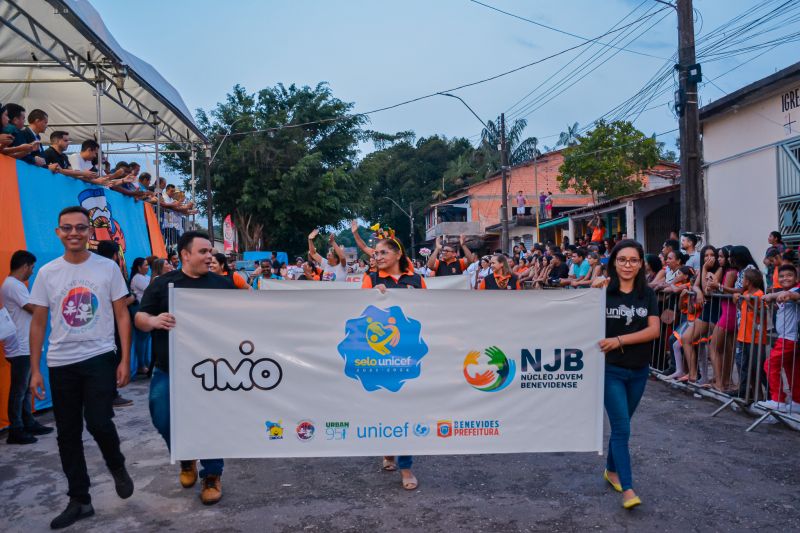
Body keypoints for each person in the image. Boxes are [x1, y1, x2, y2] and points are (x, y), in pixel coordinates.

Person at [28, 206, 134, 529]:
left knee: (99, 422)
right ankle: (80, 499)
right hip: (61, 362)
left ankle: (116, 464)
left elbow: (122, 314)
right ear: (58, 232)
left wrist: (124, 359)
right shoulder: (47, 273)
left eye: (80, 227)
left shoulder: (107, 268)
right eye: (67, 228)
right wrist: (35, 370)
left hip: (99, 356)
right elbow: (38, 323)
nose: (74, 233)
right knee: (67, 434)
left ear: (90, 232)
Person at [135, 231, 236, 505]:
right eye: (203, 251)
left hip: (214, 371)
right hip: (169, 368)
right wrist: (154, 321)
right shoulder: (162, 285)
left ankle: (212, 474)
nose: (209, 256)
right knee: (161, 415)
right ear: (185, 255)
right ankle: (185, 454)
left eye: (210, 252)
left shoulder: (222, 285)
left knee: (210, 421)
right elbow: (140, 317)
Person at [596, 240, 660, 510]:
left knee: (622, 426)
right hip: (610, 370)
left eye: (633, 260)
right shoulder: (603, 291)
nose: (627, 265)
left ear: (641, 264)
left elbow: (654, 330)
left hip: (639, 371)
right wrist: (592, 291)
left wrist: (619, 340)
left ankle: (611, 470)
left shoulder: (648, 294)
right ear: (614, 262)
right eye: (622, 259)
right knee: (622, 428)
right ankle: (628, 488)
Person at [361, 235, 424, 490]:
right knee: (385, 404)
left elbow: (431, 312)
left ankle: (406, 467)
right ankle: (388, 449)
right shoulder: (370, 279)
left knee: (406, 407)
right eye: (375, 253)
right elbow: (360, 315)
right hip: (380, 356)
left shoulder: (416, 280)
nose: (377, 257)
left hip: (410, 352)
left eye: (383, 252)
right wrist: (374, 298)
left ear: (398, 254)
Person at [2, 250, 54, 444]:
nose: (32, 272)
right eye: (31, 268)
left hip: (25, 344)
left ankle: (27, 422)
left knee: (25, 389)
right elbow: (33, 308)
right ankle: (16, 429)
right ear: (24, 266)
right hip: (21, 345)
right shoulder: (13, 285)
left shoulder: (14, 285)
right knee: (20, 389)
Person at [759, 265, 800, 411]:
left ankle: (778, 400)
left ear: (796, 278)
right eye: (781, 276)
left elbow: (795, 295)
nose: (785, 278)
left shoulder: (795, 290)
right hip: (787, 337)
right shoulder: (785, 291)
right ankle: (797, 401)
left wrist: (776, 295)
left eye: (789, 275)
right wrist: (776, 296)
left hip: (789, 338)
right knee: (792, 369)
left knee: (770, 365)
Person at [732, 269, 767, 400]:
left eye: (744, 279)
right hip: (743, 336)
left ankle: (771, 395)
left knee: (759, 368)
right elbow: (742, 310)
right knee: (744, 365)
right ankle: (747, 392)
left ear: (749, 281)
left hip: (755, 338)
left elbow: (762, 314)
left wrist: (750, 303)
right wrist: (737, 301)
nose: (742, 281)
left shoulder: (759, 294)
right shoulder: (745, 293)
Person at [129, 258, 151, 376]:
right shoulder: (137, 278)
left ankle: (146, 363)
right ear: (139, 267)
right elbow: (150, 290)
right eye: (145, 265)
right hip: (140, 311)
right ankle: (141, 365)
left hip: (147, 312)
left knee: (146, 339)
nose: (148, 267)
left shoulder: (146, 277)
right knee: (142, 339)